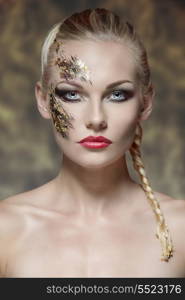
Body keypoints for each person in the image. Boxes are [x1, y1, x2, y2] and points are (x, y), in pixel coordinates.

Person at [0, 8, 185, 278]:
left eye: (117, 94)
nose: (96, 119)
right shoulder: (6, 229)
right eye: (72, 94)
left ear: (145, 102)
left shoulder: (180, 229)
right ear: (43, 100)